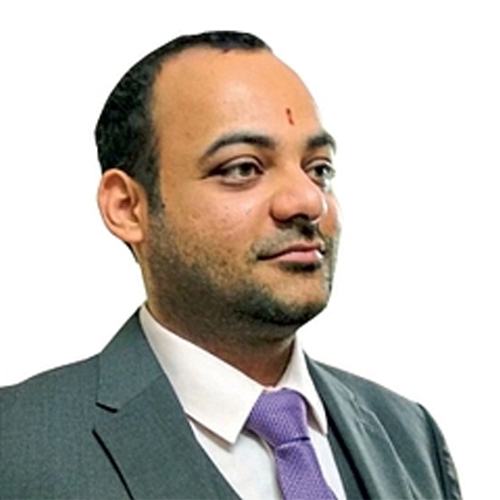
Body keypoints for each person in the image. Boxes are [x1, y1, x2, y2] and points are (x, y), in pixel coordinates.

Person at [0, 31, 461, 500]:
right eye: (242, 168)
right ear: (128, 208)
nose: (308, 201)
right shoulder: (16, 445)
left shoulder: (409, 435)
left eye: (319, 169)